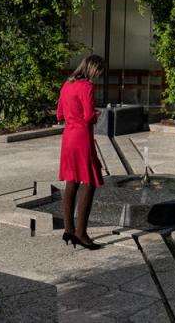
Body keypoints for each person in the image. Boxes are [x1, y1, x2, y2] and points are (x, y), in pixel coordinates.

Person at [56, 54, 105, 250]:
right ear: (93, 70)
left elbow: (59, 114)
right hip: (82, 138)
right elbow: (87, 117)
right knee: (90, 182)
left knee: (72, 181)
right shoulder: (87, 87)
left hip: (68, 137)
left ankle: (68, 229)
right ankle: (81, 233)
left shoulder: (67, 84)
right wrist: (96, 115)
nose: (99, 76)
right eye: (99, 72)